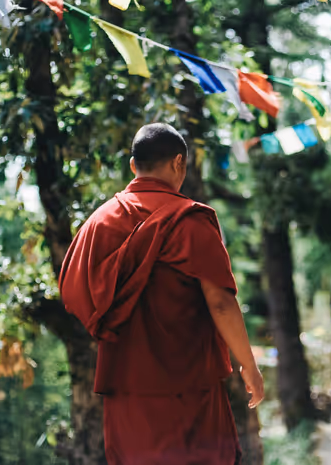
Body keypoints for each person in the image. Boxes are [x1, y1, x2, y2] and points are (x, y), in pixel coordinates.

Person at [58, 123, 264, 465]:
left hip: (126, 387)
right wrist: (249, 366)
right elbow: (221, 303)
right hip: (188, 387)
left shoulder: (99, 223)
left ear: (133, 165)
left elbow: (74, 294)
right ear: (179, 163)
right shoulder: (191, 221)